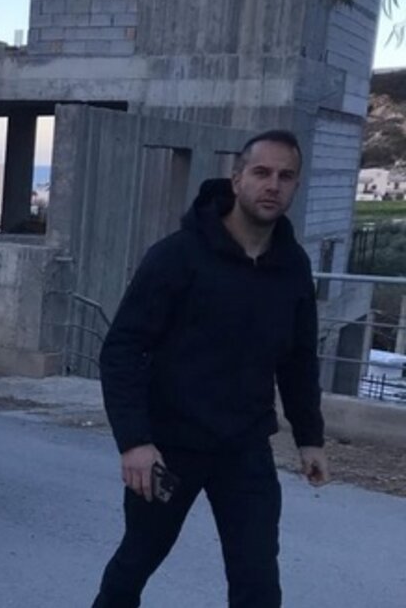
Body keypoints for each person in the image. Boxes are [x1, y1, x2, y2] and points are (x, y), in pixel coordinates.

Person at [90, 130, 328, 608]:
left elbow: (299, 357)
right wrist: (135, 442)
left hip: (245, 449)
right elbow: (122, 350)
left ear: (296, 187)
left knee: (258, 582)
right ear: (236, 179)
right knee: (136, 562)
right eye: (261, 172)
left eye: (285, 176)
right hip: (169, 448)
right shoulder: (178, 256)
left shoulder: (292, 266)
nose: (273, 185)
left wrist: (310, 437)